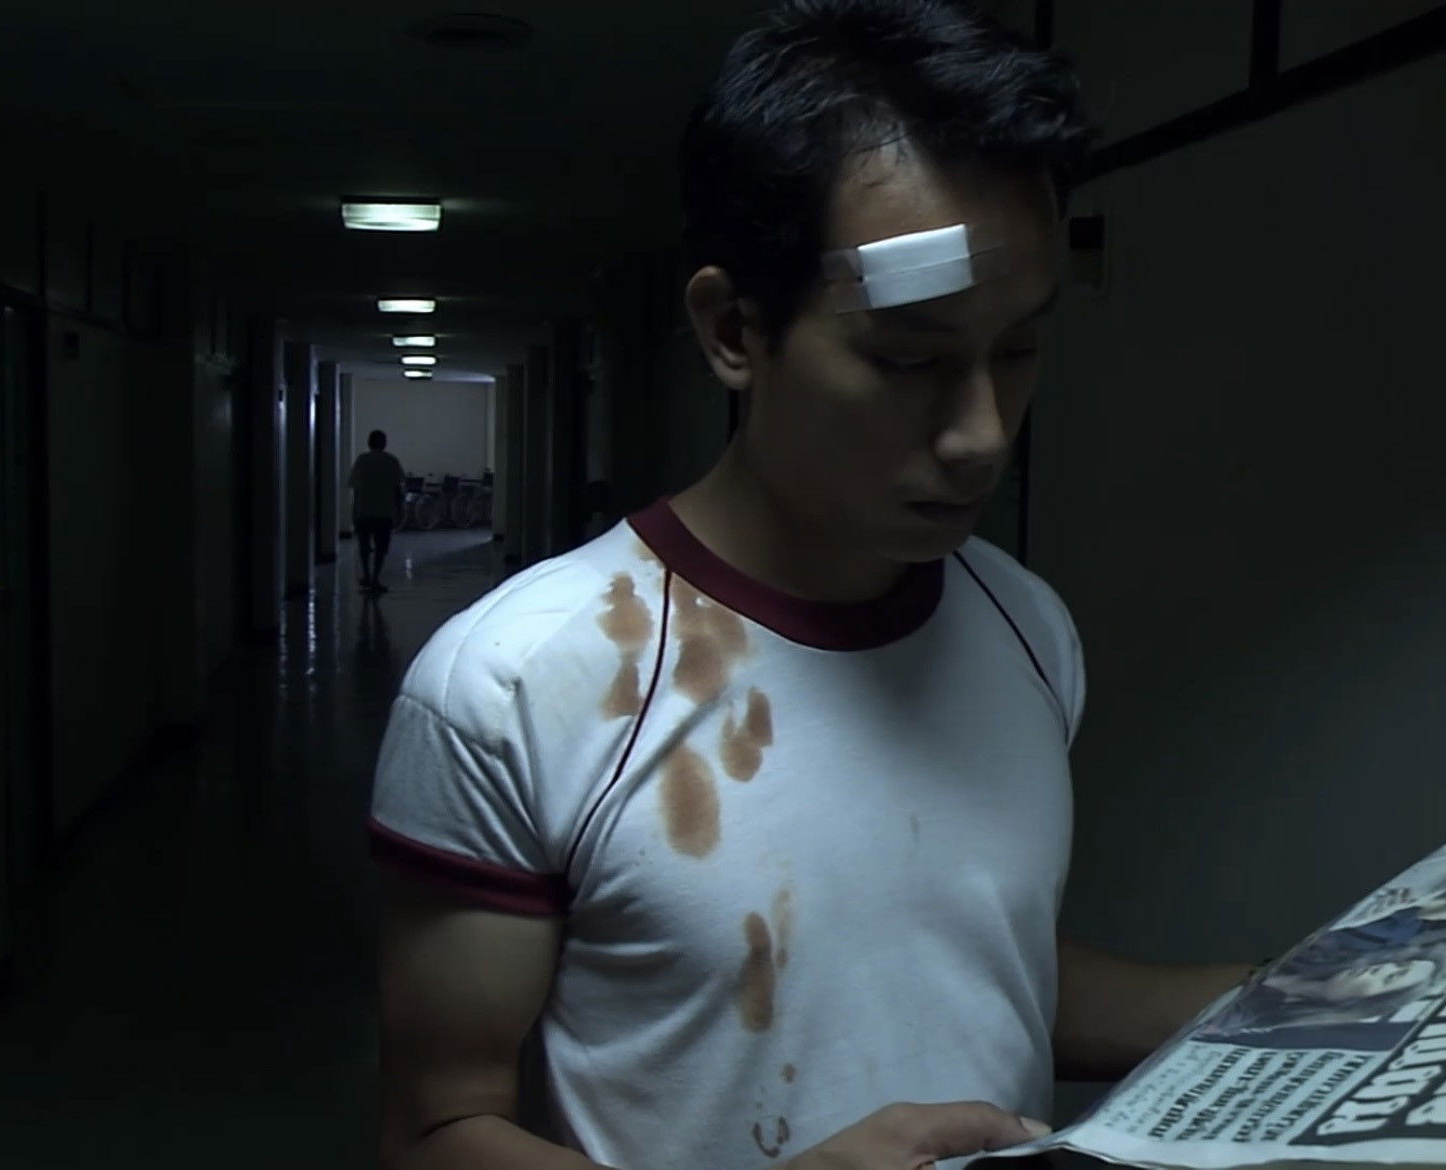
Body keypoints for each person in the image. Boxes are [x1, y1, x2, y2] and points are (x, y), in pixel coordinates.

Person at [370, 4, 1259, 1169]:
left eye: (1017, 349)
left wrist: (1286, 1000)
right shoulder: (518, 684)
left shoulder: (1026, 627)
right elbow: (437, 1132)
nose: (981, 434)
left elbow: (960, 964)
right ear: (734, 331)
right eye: (908, 360)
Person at [349, 430, 405, 594]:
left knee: (364, 546)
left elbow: (355, 489)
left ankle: (366, 574)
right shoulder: (392, 461)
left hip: (364, 510)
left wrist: (354, 511)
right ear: (384, 443)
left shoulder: (361, 460)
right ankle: (375, 578)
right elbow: (397, 489)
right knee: (381, 548)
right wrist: (399, 510)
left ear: (369, 443)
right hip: (384, 511)